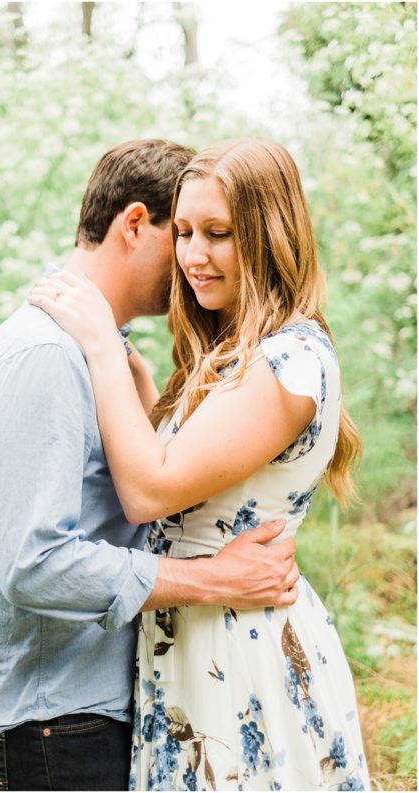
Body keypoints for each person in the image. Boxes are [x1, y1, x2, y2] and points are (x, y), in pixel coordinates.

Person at [0, 139, 300, 793]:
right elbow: (36, 563)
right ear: (135, 224)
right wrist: (214, 578)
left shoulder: (97, 352)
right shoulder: (45, 355)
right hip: (51, 720)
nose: (196, 260)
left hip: (75, 715)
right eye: (184, 232)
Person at [28, 138, 370, 791]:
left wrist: (102, 343)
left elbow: (150, 490)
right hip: (193, 637)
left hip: (245, 649)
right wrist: (138, 374)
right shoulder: (235, 354)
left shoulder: (288, 358)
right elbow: (185, 465)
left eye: (219, 233)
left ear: (271, 235)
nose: (192, 255)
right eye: (183, 231)